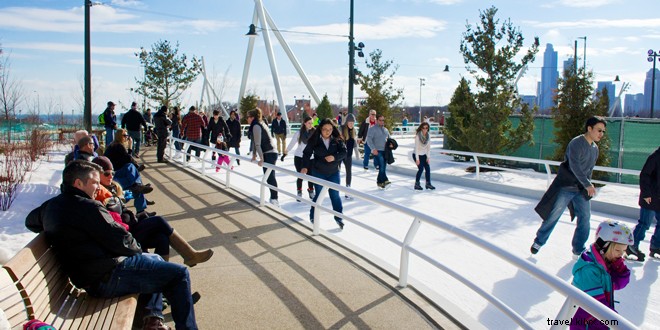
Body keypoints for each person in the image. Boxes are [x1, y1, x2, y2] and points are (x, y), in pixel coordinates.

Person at [25, 160, 198, 329]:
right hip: (106, 277)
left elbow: (30, 222)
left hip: (89, 276)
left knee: (155, 260)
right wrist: (137, 249)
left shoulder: (51, 206)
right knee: (179, 274)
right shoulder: (89, 207)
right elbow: (123, 241)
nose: (98, 188)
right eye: (94, 183)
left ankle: (152, 320)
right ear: (78, 183)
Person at [92, 156, 214, 266]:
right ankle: (190, 255)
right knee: (159, 221)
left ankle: (162, 277)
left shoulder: (111, 188)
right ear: (97, 174)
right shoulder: (98, 193)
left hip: (131, 227)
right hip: (125, 235)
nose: (111, 176)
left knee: (162, 238)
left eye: (112, 173)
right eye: (107, 173)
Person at [531, 116, 607, 257]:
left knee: (585, 217)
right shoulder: (576, 143)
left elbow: (588, 169)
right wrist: (587, 183)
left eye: (603, 131)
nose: (601, 134)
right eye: (598, 130)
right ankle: (539, 241)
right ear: (589, 128)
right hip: (567, 187)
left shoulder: (595, 149)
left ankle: (578, 249)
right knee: (554, 215)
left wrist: (587, 185)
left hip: (581, 189)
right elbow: (575, 166)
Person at [571, 220, 632, 330]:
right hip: (585, 324)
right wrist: (618, 324)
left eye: (624, 251)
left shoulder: (605, 263)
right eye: (618, 249)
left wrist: (619, 267)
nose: (621, 254)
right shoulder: (589, 270)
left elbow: (619, 284)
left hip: (599, 322)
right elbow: (597, 305)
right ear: (603, 246)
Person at [302, 118, 347, 229]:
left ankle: (339, 218)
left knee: (335, 195)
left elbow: (344, 152)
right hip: (319, 172)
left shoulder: (337, 139)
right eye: (325, 129)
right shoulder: (315, 139)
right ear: (320, 129)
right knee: (319, 195)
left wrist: (334, 157)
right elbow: (306, 153)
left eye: (330, 129)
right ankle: (313, 216)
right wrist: (304, 167)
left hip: (333, 172)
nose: (327, 131)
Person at [105, 128, 154, 218]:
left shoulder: (113, 146)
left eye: (127, 136)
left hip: (116, 174)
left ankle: (141, 211)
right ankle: (141, 210)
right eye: (125, 136)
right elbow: (128, 159)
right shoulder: (117, 146)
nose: (127, 138)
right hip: (114, 176)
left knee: (135, 185)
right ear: (120, 137)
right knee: (131, 169)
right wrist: (131, 148)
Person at [626, 146, 660, 261]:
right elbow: (645, 175)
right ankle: (632, 245)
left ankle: (656, 246)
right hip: (650, 197)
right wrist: (646, 194)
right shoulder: (655, 156)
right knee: (645, 223)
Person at [248, 108, 279, 206]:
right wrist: (254, 155)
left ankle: (274, 199)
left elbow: (257, 144)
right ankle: (273, 198)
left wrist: (261, 158)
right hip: (269, 152)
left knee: (270, 177)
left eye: (248, 117)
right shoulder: (258, 124)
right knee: (268, 176)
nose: (247, 119)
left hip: (269, 153)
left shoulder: (256, 126)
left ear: (252, 117)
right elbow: (254, 141)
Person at [283, 116, 315, 200]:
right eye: (309, 123)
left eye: (311, 123)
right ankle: (299, 191)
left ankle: (311, 190)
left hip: (310, 158)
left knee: (310, 176)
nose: (310, 125)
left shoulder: (314, 133)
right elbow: (292, 143)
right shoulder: (299, 133)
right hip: (299, 157)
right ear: (304, 123)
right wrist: (286, 151)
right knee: (300, 175)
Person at [366, 114, 392, 189]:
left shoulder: (386, 130)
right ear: (377, 120)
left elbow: (389, 139)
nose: (382, 122)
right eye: (380, 120)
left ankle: (380, 182)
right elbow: (369, 140)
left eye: (383, 120)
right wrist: (373, 149)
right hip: (377, 151)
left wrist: (391, 144)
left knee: (382, 166)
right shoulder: (372, 129)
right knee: (382, 165)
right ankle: (385, 180)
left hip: (385, 151)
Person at [340, 113, 359, 199]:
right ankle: (333, 188)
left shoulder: (354, 130)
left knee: (349, 172)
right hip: (339, 154)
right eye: (350, 122)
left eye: (353, 123)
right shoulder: (342, 129)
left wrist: (357, 153)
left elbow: (354, 142)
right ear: (347, 122)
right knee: (336, 171)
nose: (351, 124)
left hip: (348, 155)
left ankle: (347, 189)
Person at [413, 122, 435, 190]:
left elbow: (428, 148)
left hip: (424, 155)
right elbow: (416, 148)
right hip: (417, 154)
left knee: (428, 169)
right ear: (421, 128)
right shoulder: (418, 136)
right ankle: (417, 184)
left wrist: (428, 157)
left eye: (426, 128)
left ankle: (428, 184)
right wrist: (417, 159)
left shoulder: (428, 136)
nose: (425, 129)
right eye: (423, 128)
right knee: (421, 169)